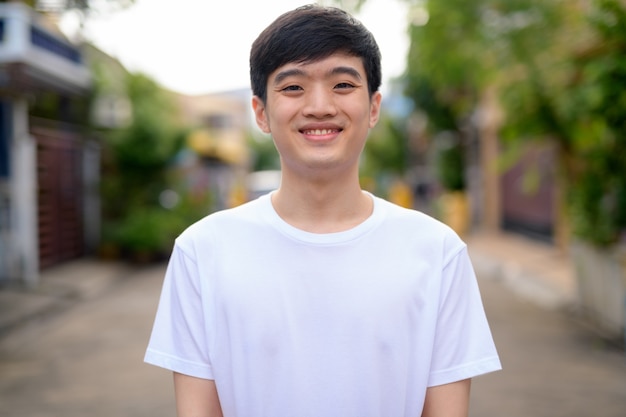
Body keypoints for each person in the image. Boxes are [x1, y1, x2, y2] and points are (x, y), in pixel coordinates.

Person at [145, 4, 501, 417]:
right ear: (261, 112)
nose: (319, 106)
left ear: (373, 107)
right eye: (293, 87)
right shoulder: (202, 251)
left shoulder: (436, 252)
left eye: (343, 85)